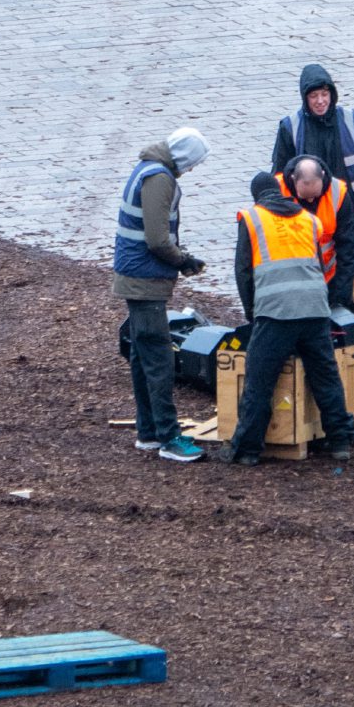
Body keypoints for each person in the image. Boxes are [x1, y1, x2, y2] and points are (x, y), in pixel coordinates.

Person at [222, 170, 354, 468]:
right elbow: (321, 265)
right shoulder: (309, 219)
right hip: (314, 310)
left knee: (259, 381)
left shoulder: (252, 218)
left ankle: (247, 449)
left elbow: (243, 272)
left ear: (256, 196)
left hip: (276, 313)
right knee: (326, 376)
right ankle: (340, 441)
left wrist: (252, 313)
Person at [112, 127, 211, 465]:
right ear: (183, 158)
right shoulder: (160, 178)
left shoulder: (147, 168)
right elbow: (157, 240)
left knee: (142, 353)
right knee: (159, 357)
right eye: (194, 163)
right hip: (144, 279)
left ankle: (149, 431)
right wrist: (182, 260)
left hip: (135, 276)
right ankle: (169, 438)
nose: (192, 169)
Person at [272, 63, 354, 228]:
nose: (320, 101)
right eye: (313, 96)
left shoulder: (352, 121)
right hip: (309, 214)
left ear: (332, 94)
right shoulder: (290, 128)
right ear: (305, 98)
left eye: (325, 94)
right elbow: (278, 174)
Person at [277, 154, 354, 312]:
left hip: (328, 279)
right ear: (293, 179)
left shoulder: (338, 193)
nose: (310, 201)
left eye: (315, 196)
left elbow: (348, 247)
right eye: (304, 197)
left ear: (323, 177)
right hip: (290, 283)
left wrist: (341, 296)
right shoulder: (277, 190)